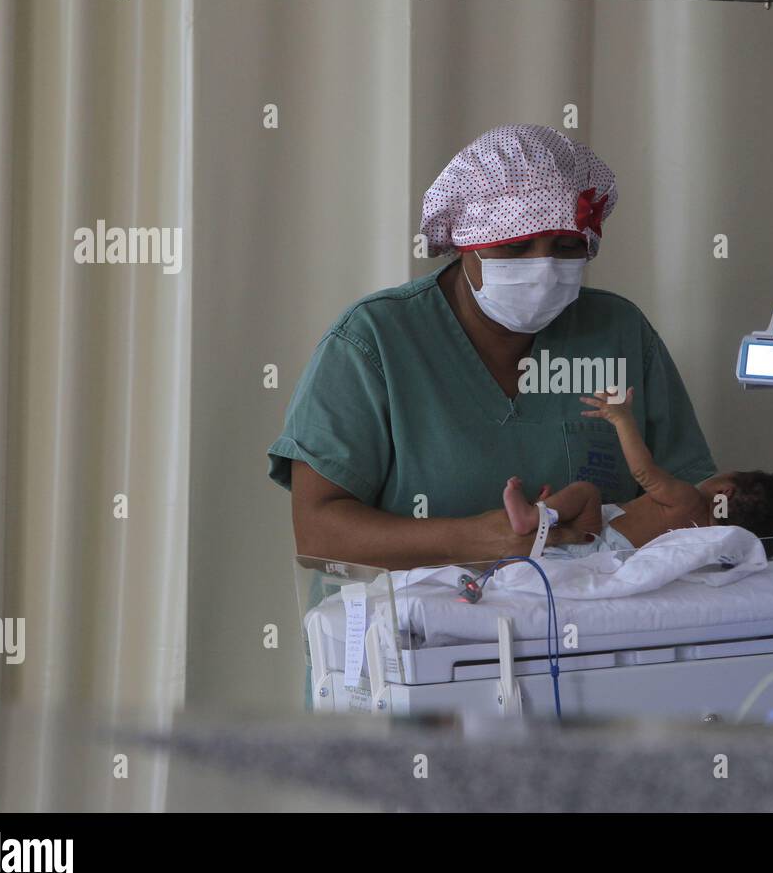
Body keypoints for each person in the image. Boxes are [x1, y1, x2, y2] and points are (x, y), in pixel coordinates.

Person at [269, 125, 716, 570]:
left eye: (566, 247)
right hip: (419, 634)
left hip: (594, 628)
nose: (542, 269)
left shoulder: (618, 334)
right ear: (465, 245)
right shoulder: (373, 343)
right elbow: (318, 534)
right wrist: (472, 540)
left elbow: (696, 499)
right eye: (515, 247)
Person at [503, 387, 773, 558]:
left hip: (599, 540)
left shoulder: (689, 499)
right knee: (581, 503)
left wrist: (622, 420)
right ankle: (547, 514)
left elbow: (643, 472)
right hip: (603, 551)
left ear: (725, 491)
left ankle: (532, 518)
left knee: (586, 492)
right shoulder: (706, 545)